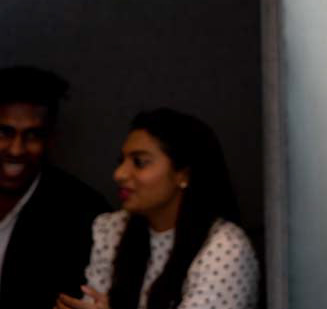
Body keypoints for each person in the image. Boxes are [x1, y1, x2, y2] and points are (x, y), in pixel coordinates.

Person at [56, 108, 258, 309]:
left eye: (139, 162)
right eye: (121, 161)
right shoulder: (114, 228)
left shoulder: (225, 247)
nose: (120, 174)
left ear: (183, 174)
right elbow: (92, 300)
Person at [0, 65, 110, 309]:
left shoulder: (83, 214)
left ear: (50, 139)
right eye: (4, 132)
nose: (16, 149)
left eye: (32, 135)